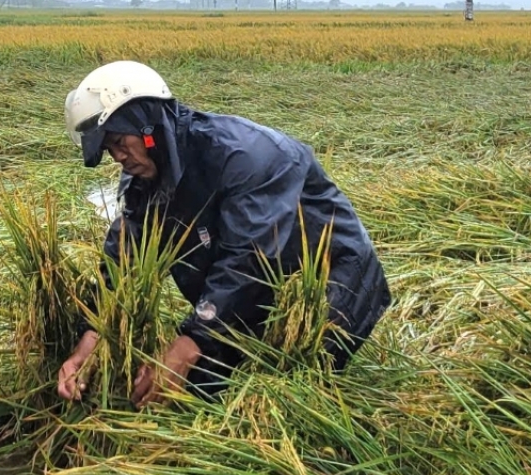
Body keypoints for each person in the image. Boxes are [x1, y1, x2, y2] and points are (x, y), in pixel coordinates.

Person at [57, 61, 390, 409]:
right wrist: (92, 336)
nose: (119, 158)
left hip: (329, 279)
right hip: (244, 294)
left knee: (292, 397)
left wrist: (189, 342)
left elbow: (249, 259)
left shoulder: (246, 156)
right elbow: (125, 257)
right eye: (110, 151)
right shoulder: (145, 180)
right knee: (194, 395)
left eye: (119, 142)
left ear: (148, 124)